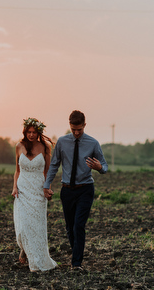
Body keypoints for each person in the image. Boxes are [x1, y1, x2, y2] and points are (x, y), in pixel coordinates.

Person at [43, 110, 108, 272]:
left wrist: (99, 167)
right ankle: (76, 254)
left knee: (79, 225)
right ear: (69, 126)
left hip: (85, 189)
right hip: (67, 191)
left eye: (79, 129)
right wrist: (47, 185)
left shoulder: (93, 143)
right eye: (73, 129)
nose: (77, 133)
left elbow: (105, 166)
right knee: (70, 227)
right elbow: (54, 165)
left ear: (84, 125)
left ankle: (76, 263)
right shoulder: (62, 142)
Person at [12, 117, 58, 272]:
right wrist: (14, 188)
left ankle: (36, 257)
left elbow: (48, 172)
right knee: (23, 226)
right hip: (23, 189)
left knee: (36, 226)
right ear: (25, 132)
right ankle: (24, 248)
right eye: (29, 132)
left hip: (38, 190)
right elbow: (17, 171)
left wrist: (47, 189)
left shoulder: (45, 147)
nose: (31, 135)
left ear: (39, 132)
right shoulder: (19, 146)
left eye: (34, 132)